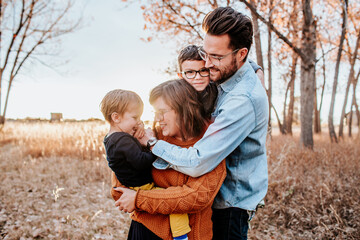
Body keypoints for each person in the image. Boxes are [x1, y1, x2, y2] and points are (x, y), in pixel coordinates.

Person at [137, 7, 269, 240]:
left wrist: (152, 143)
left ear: (241, 54)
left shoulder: (243, 101)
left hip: (230, 204)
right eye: (207, 53)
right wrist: (257, 68)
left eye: (216, 57)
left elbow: (198, 161)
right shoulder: (228, 69)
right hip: (210, 197)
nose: (207, 64)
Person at [112, 79, 227, 240]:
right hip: (144, 230)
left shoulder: (210, 146)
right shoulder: (150, 137)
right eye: (155, 112)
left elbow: (196, 197)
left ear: (183, 109)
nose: (158, 118)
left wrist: (139, 199)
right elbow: (119, 191)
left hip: (190, 235)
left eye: (162, 111)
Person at [100, 89, 191, 240]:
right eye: (135, 117)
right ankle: (181, 237)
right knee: (175, 207)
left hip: (134, 185)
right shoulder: (122, 140)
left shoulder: (111, 139)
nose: (138, 122)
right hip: (142, 186)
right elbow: (140, 162)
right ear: (116, 117)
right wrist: (154, 148)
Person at [177, 44, 264, 118]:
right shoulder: (175, 98)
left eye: (203, 70)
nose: (197, 77)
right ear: (180, 76)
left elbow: (234, 61)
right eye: (190, 72)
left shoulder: (216, 87)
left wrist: (257, 71)